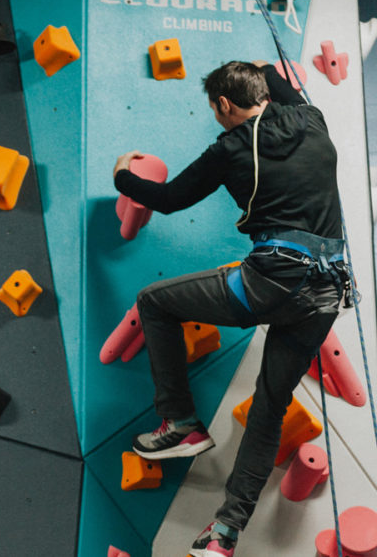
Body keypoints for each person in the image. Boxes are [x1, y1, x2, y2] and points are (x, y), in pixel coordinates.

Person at [112, 60, 351, 557]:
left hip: (272, 280)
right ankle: (223, 533)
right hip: (327, 292)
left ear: (223, 105)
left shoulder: (232, 146)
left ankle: (180, 423)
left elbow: (170, 198)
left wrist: (122, 177)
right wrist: (263, 69)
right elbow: (277, 84)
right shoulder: (313, 119)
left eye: (216, 110)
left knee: (154, 302)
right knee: (270, 408)